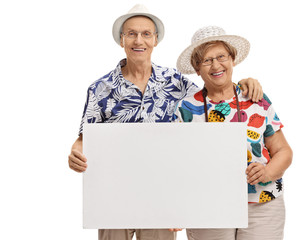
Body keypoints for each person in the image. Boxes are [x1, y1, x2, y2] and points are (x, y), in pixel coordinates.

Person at [68, 4, 263, 240]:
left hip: (161, 196)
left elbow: (213, 93)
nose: (138, 40)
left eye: (146, 34)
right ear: (121, 40)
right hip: (113, 196)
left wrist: (244, 82)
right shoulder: (100, 88)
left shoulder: (175, 82)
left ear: (155, 40)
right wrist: (76, 153)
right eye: (131, 33)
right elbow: (84, 139)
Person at [172, 26, 293, 240]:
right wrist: (177, 206)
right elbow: (177, 163)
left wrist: (267, 172)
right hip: (208, 204)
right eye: (207, 60)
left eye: (221, 57)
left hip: (262, 202)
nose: (216, 65)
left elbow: (283, 151)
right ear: (197, 69)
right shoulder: (186, 108)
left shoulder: (257, 98)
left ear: (232, 60)